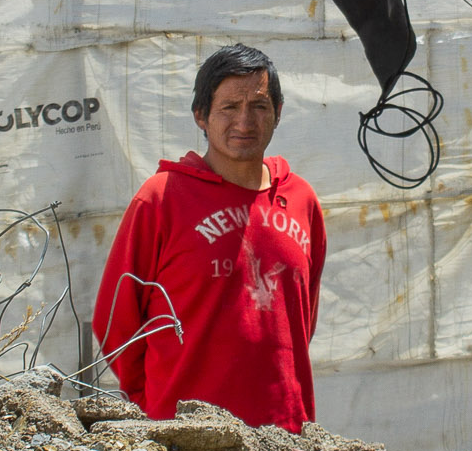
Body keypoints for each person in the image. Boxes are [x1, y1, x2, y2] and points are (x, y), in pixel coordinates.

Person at [92, 44, 327, 430]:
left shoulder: (302, 200)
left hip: (285, 436)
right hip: (187, 443)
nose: (245, 122)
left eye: (259, 106)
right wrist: (151, 405)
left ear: (278, 113)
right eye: (229, 108)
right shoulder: (161, 198)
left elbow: (303, 317)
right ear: (201, 116)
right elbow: (115, 320)